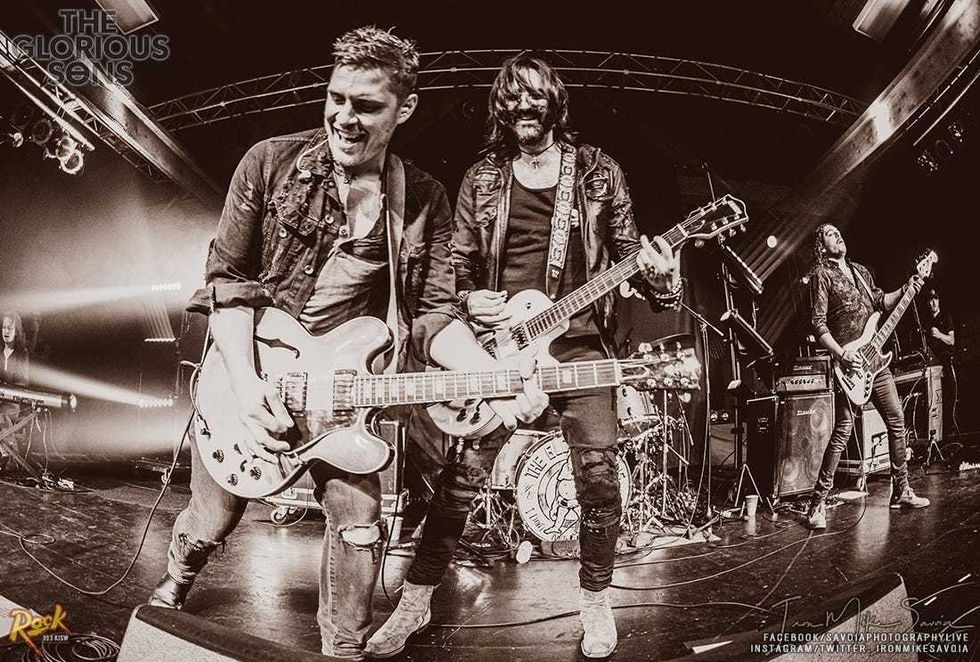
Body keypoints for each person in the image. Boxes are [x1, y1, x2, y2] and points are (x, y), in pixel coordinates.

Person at [147, 27, 546, 660]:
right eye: (336, 98)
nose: (344, 117)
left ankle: (344, 648)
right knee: (212, 519)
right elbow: (227, 286)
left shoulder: (422, 199)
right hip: (251, 373)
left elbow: (434, 317)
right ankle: (178, 575)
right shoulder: (269, 162)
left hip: (343, 397)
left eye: (366, 105)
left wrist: (493, 376)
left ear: (404, 109)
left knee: (361, 525)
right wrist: (246, 389)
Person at [366, 53, 682, 660]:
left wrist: (663, 281)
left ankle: (595, 600)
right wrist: (471, 299)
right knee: (461, 480)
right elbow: (455, 270)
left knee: (598, 479)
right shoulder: (482, 179)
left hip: (581, 346)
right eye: (511, 98)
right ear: (499, 109)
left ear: (555, 103)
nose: (522, 106)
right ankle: (415, 600)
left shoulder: (598, 173)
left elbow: (631, 260)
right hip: (501, 351)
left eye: (535, 95)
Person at [804, 224, 929, 530]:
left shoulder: (860, 271)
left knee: (897, 421)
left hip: (877, 362)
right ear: (821, 246)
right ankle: (817, 504)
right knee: (843, 431)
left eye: (838, 232)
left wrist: (908, 286)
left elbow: (881, 302)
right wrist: (840, 354)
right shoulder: (821, 275)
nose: (838, 236)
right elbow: (818, 324)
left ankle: (901, 490)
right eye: (830, 234)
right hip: (850, 365)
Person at [923, 287, 957, 437]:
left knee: (949, 400)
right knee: (935, 402)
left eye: (936, 299)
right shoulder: (927, 322)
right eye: (931, 300)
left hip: (947, 364)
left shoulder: (945, 317)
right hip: (934, 367)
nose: (934, 302)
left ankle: (951, 432)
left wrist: (939, 335)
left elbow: (951, 340)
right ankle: (938, 435)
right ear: (927, 303)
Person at [1, 311, 30, 471]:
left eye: (10, 328)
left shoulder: (22, 354)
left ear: (16, 331)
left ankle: (11, 455)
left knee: (1, 415)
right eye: (4, 327)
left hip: (12, 402)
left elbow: (23, 382)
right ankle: (6, 452)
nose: (6, 331)